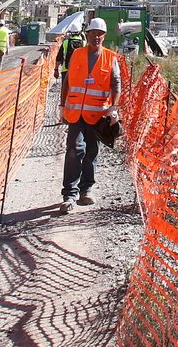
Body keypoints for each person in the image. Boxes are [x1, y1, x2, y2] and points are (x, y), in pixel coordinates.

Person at [59, 16, 120, 214]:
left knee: (91, 152)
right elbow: (67, 81)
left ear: (104, 36)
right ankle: (69, 194)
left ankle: (86, 189)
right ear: (87, 35)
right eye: (94, 34)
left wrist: (114, 107)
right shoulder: (77, 54)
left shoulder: (111, 57)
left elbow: (116, 84)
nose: (97, 38)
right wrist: (62, 105)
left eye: (100, 35)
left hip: (96, 115)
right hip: (75, 113)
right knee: (75, 150)